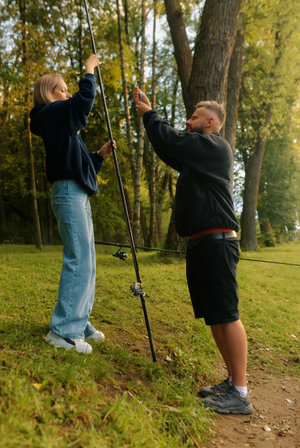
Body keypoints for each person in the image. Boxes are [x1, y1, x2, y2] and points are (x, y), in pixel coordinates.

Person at [133, 87, 253, 414]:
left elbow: (172, 141)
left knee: (227, 314)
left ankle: (241, 393)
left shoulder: (215, 147)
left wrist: (149, 114)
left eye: (195, 117)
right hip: (202, 244)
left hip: (218, 243)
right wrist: (150, 123)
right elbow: (168, 148)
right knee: (215, 316)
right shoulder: (197, 155)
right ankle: (232, 382)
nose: (188, 121)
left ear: (211, 123)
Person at [30, 54, 115, 354]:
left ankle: (79, 320)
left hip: (78, 192)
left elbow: (81, 166)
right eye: (62, 89)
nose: (68, 94)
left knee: (88, 262)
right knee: (79, 258)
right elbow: (82, 103)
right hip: (68, 193)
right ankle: (63, 331)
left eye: (68, 89)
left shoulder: (63, 129)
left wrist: (99, 156)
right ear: (47, 93)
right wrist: (89, 70)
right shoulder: (48, 115)